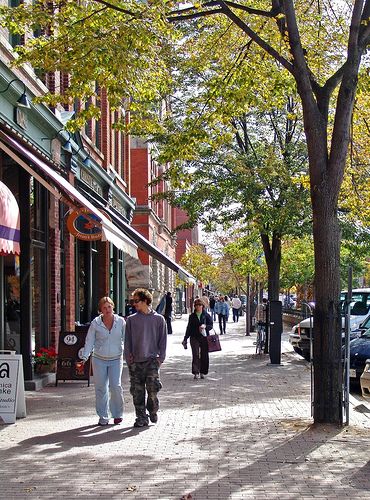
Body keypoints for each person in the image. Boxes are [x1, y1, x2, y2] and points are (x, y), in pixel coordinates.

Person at [125, 288, 167, 427]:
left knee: (152, 390)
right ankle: (141, 418)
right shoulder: (131, 320)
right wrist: (129, 359)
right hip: (136, 362)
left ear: (145, 301)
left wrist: (160, 358)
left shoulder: (159, 319)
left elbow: (163, 340)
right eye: (133, 301)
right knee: (137, 392)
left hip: (152, 361)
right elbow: (128, 341)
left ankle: (153, 410)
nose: (134, 304)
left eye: (136, 301)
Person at [80, 296, 125, 426]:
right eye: (104, 308)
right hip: (99, 358)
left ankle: (117, 414)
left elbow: (126, 338)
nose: (107, 310)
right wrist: (85, 356)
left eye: (109, 307)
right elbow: (90, 340)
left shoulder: (121, 322)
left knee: (115, 386)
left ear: (113, 307)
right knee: (101, 388)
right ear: (100, 310)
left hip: (116, 358)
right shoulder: (96, 323)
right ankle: (103, 416)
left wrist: (129, 354)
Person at [182, 298, 213, 379]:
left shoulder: (206, 315)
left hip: (204, 337)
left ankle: (203, 372)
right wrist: (185, 338)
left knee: (204, 354)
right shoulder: (192, 316)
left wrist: (205, 326)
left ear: (203, 306)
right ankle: (196, 372)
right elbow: (188, 327)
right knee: (195, 354)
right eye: (196, 305)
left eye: (200, 305)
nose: (198, 307)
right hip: (194, 337)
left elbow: (211, 325)